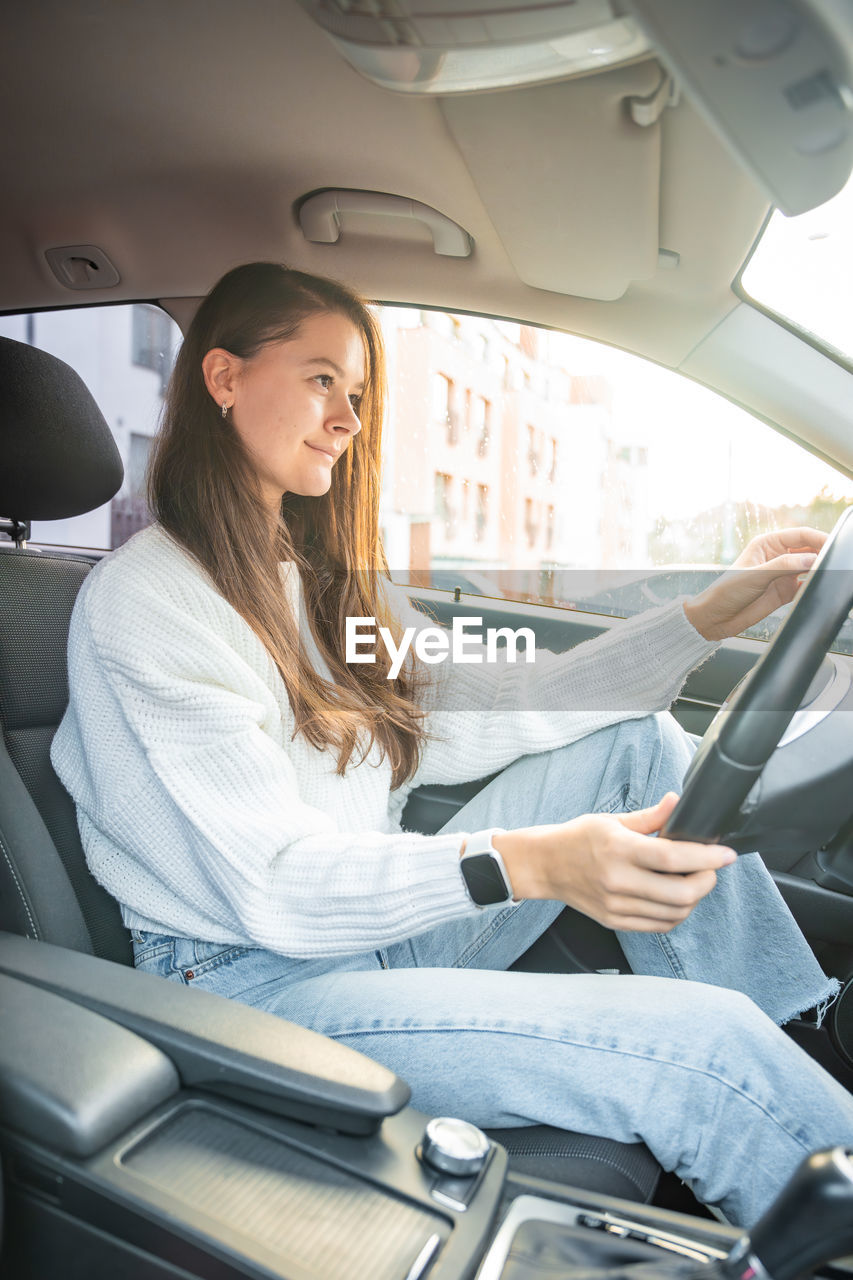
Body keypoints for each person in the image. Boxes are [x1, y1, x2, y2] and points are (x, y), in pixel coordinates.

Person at [51, 261, 853, 1228]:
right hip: (254, 985)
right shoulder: (147, 603)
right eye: (319, 380)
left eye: (354, 393)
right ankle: (771, 1091)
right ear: (223, 379)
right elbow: (272, 882)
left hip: (376, 931)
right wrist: (532, 862)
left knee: (635, 739)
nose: (347, 419)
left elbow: (495, 698)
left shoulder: (319, 583)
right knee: (705, 1051)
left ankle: (803, 1051)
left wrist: (699, 621)